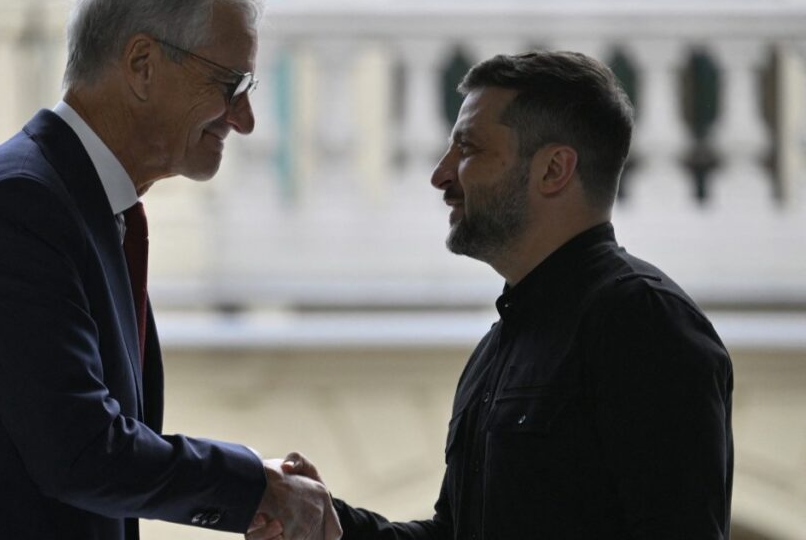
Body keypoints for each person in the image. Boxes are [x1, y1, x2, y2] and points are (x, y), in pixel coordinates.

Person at [0, 0, 341, 540]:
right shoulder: (15, 205)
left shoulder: (85, 209)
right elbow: (80, 450)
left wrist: (253, 484)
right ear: (142, 66)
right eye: (231, 86)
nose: (245, 120)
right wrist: (253, 487)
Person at [250, 51, 734, 539]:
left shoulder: (644, 323)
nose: (441, 175)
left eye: (469, 150)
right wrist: (328, 527)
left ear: (553, 170)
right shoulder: (501, 343)